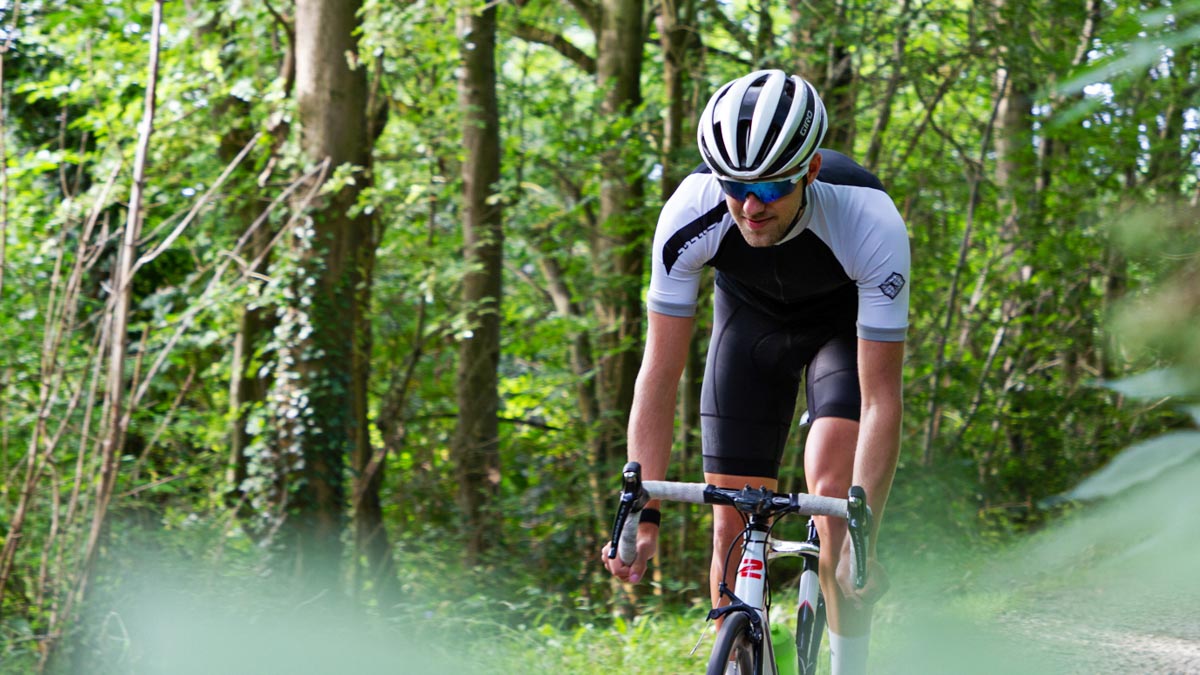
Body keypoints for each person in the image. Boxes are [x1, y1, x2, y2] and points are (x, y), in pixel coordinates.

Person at [601, 69, 909, 675]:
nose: (749, 206)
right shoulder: (688, 215)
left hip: (840, 330)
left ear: (811, 171)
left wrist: (862, 540)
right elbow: (659, 375)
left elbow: (881, 400)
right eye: (735, 186)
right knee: (732, 529)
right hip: (749, 326)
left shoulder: (870, 222)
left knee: (832, 508)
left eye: (770, 186)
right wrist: (642, 513)